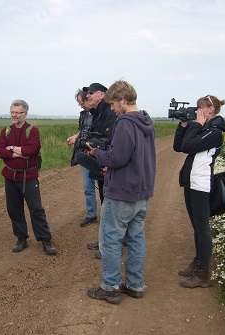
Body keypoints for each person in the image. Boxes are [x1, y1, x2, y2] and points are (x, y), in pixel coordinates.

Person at [86, 80, 156, 304]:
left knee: (110, 239)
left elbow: (117, 158)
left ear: (123, 100)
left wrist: (96, 153)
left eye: (114, 104)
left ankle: (110, 286)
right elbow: (134, 157)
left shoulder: (125, 123)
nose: (112, 109)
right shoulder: (146, 120)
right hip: (141, 191)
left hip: (122, 191)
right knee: (135, 238)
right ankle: (135, 285)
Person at [173, 95, 225, 288]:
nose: (197, 112)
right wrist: (183, 125)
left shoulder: (214, 133)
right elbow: (178, 146)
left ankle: (204, 272)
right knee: (196, 226)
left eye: (200, 108)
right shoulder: (204, 128)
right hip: (191, 182)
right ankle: (198, 262)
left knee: (202, 227)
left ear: (211, 109)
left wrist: (195, 125)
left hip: (201, 184)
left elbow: (189, 146)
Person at [0, 99, 57, 256]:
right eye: (12, 112)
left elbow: (32, 149)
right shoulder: (6, 131)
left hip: (28, 176)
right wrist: (18, 152)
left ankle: (45, 239)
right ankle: (21, 238)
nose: (14, 115)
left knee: (36, 208)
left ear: (25, 114)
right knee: (14, 209)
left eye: (18, 112)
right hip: (10, 176)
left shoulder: (33, 131)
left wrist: (12, 149)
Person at [81, 83, 118, 258]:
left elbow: (110, 139)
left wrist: (94, 145)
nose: (87, 96)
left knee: (110, 205)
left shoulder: (108, 112)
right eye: (86, 93)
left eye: (90, 93)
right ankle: (105, 240)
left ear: (101, 94)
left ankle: (111, 244)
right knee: (105, 202)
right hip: (100, 160)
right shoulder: (96, 112)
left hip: (108, 163)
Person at [66, 89, 100, 227]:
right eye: (80, 104)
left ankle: (109, 217)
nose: (82, 106)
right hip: (84, 155)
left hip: (99, 155)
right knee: (88, 187)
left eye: (82, 103)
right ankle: (91, 214)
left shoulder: (102, 114)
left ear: (89, 99)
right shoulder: (84, 115)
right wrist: (76, 136)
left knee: (105, 189)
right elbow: (84, 130)